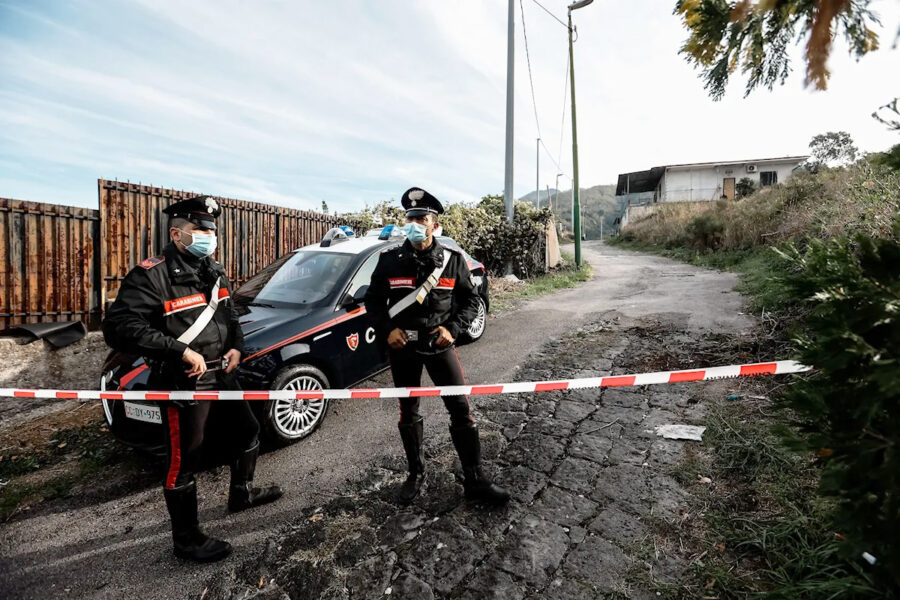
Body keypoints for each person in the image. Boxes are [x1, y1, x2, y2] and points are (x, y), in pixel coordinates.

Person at [102, 196, 282, 563]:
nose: (208, 236)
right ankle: (186, 540)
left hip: (223, 374)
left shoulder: (213, 270)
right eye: (200, 229)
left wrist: (237, 348)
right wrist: (177, 350)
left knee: (248, 432)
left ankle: (242, 493)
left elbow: (231, 318)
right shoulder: (151, 275)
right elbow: (120, 327)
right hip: (182, 381)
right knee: (185, 459)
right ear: (177, 233)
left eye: (211, 230)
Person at [364, 187, 510, 506]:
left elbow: (471, 300)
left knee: (460, 410)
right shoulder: (389, 261)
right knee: (408, 411)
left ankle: (474, 480)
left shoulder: (452, 261)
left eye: (422, 218)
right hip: (404, 349)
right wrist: (388, 329)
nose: (415, 222)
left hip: (439, 345)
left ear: (434, 224)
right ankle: (416, 474)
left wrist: (453, 329)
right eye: (411, 217)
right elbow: (372, 302)